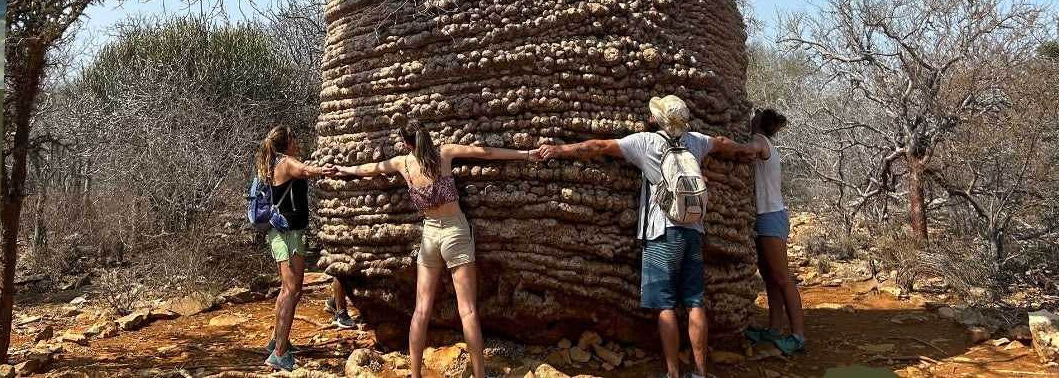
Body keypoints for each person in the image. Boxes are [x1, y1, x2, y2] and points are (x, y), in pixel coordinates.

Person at [536, 96, 758, 378]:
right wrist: (744, 148)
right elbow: (722, 142)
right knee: (695, 303)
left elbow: (599, 146)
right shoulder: (695, 141)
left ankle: (673, 373)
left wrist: (558, 150)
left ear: (659, 120)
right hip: (693, 231)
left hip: (661, 233)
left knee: (665, 305)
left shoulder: (646, 142)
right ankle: (700, 373)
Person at [332, 123, 532, 378]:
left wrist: (345, 170)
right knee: (468, 311)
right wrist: (526, 154)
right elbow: (487, 153)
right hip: (455, 232)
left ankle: (415, 374)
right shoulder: (444, 154)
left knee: (421, 310)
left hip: (430, 236)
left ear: (406, 143)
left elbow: (372, 168)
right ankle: (480, 375)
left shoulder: (402, 164)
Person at [257, 125, 340, 371]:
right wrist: (324, 170)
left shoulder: (275, 163)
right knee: (291, 292)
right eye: (293, 136)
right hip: (289, 236)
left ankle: (277, 341)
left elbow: (301, 170)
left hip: (282, 234)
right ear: (288, 142)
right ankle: (280, 354)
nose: (296, 139)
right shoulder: (286, 162)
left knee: (287, 291)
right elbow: (303, 170)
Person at [744, 109, 805, 357]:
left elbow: (747, 148)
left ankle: (798, 336)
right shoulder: (767, 143)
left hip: (770, 217)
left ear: (759, 121)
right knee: (770, 277)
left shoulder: (759, 140)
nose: (751, 119)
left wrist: (720, 144)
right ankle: (774, 329)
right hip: (765, 216)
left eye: (754, 116)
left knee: (782, 278)